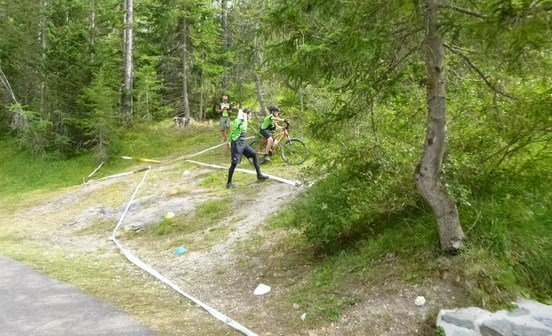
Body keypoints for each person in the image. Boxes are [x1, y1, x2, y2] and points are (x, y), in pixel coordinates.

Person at [226, 109, 269, 189]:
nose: (250, 116)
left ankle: (259, 175)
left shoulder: (242, 120)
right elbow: (235, 130)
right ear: (246, 114)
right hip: (236, 143)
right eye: (250, 115)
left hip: (242, 143)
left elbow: (234, 130)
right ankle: (228, 184)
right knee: (234, 164)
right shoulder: (240, 121)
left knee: (254, 154)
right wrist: (229, 141)